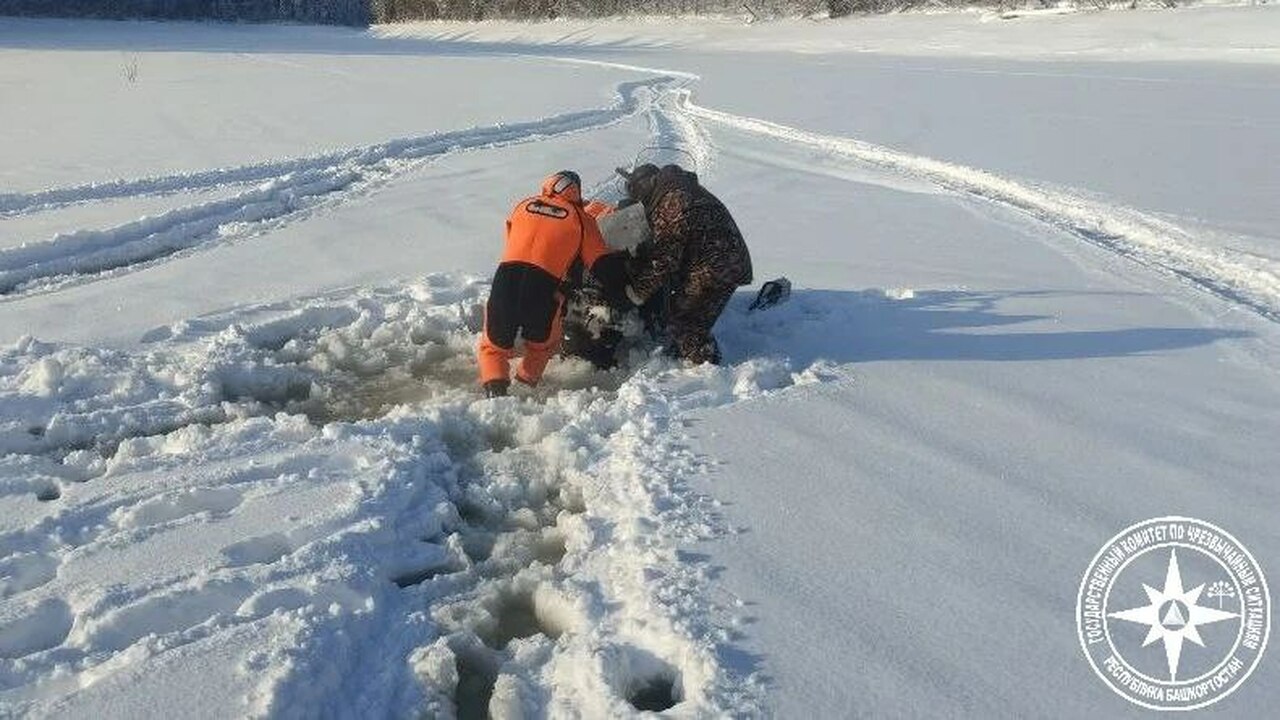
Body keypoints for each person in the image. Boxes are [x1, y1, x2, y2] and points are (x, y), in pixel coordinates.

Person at [477, 170, 624, 398]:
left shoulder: (523, 205)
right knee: (542, 346)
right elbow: (600, 263)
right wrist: (623, 283)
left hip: (505, 280)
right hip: (541, 289)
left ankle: (494, 393)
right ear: (576, 191)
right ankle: (525, 387)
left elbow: (512, 238)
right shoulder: (582, 218)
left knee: (493, 347)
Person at [618, 163, 752, 364]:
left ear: (646, 187)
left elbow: (664, 259)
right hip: (724, 261)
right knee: (683, 304)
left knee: (684, 322)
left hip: (714, 268)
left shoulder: (671, 203)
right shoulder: (682, 188)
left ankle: (707, 369)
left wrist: (637, 293)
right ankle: (687, 351)